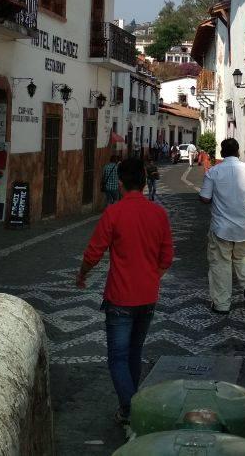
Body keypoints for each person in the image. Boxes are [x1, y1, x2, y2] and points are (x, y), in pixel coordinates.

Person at [77, 158, 173, 425]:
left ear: (120, 184)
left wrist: (82, 274)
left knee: (118, 357)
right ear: (144, 183)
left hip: (120, 297)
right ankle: (130, 405)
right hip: (148, 297)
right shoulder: (159, 214)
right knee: (134, 352)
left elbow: (94, 252)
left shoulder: (114, 213)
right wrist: (151, 278)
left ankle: (131, 409)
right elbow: (166, 257)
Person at [200, 138, 245, 314]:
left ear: (222, 153)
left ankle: (221, 305)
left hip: (221, 228)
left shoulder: (213, 172)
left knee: (220, 264)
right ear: (238, 152)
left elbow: (205, 198)